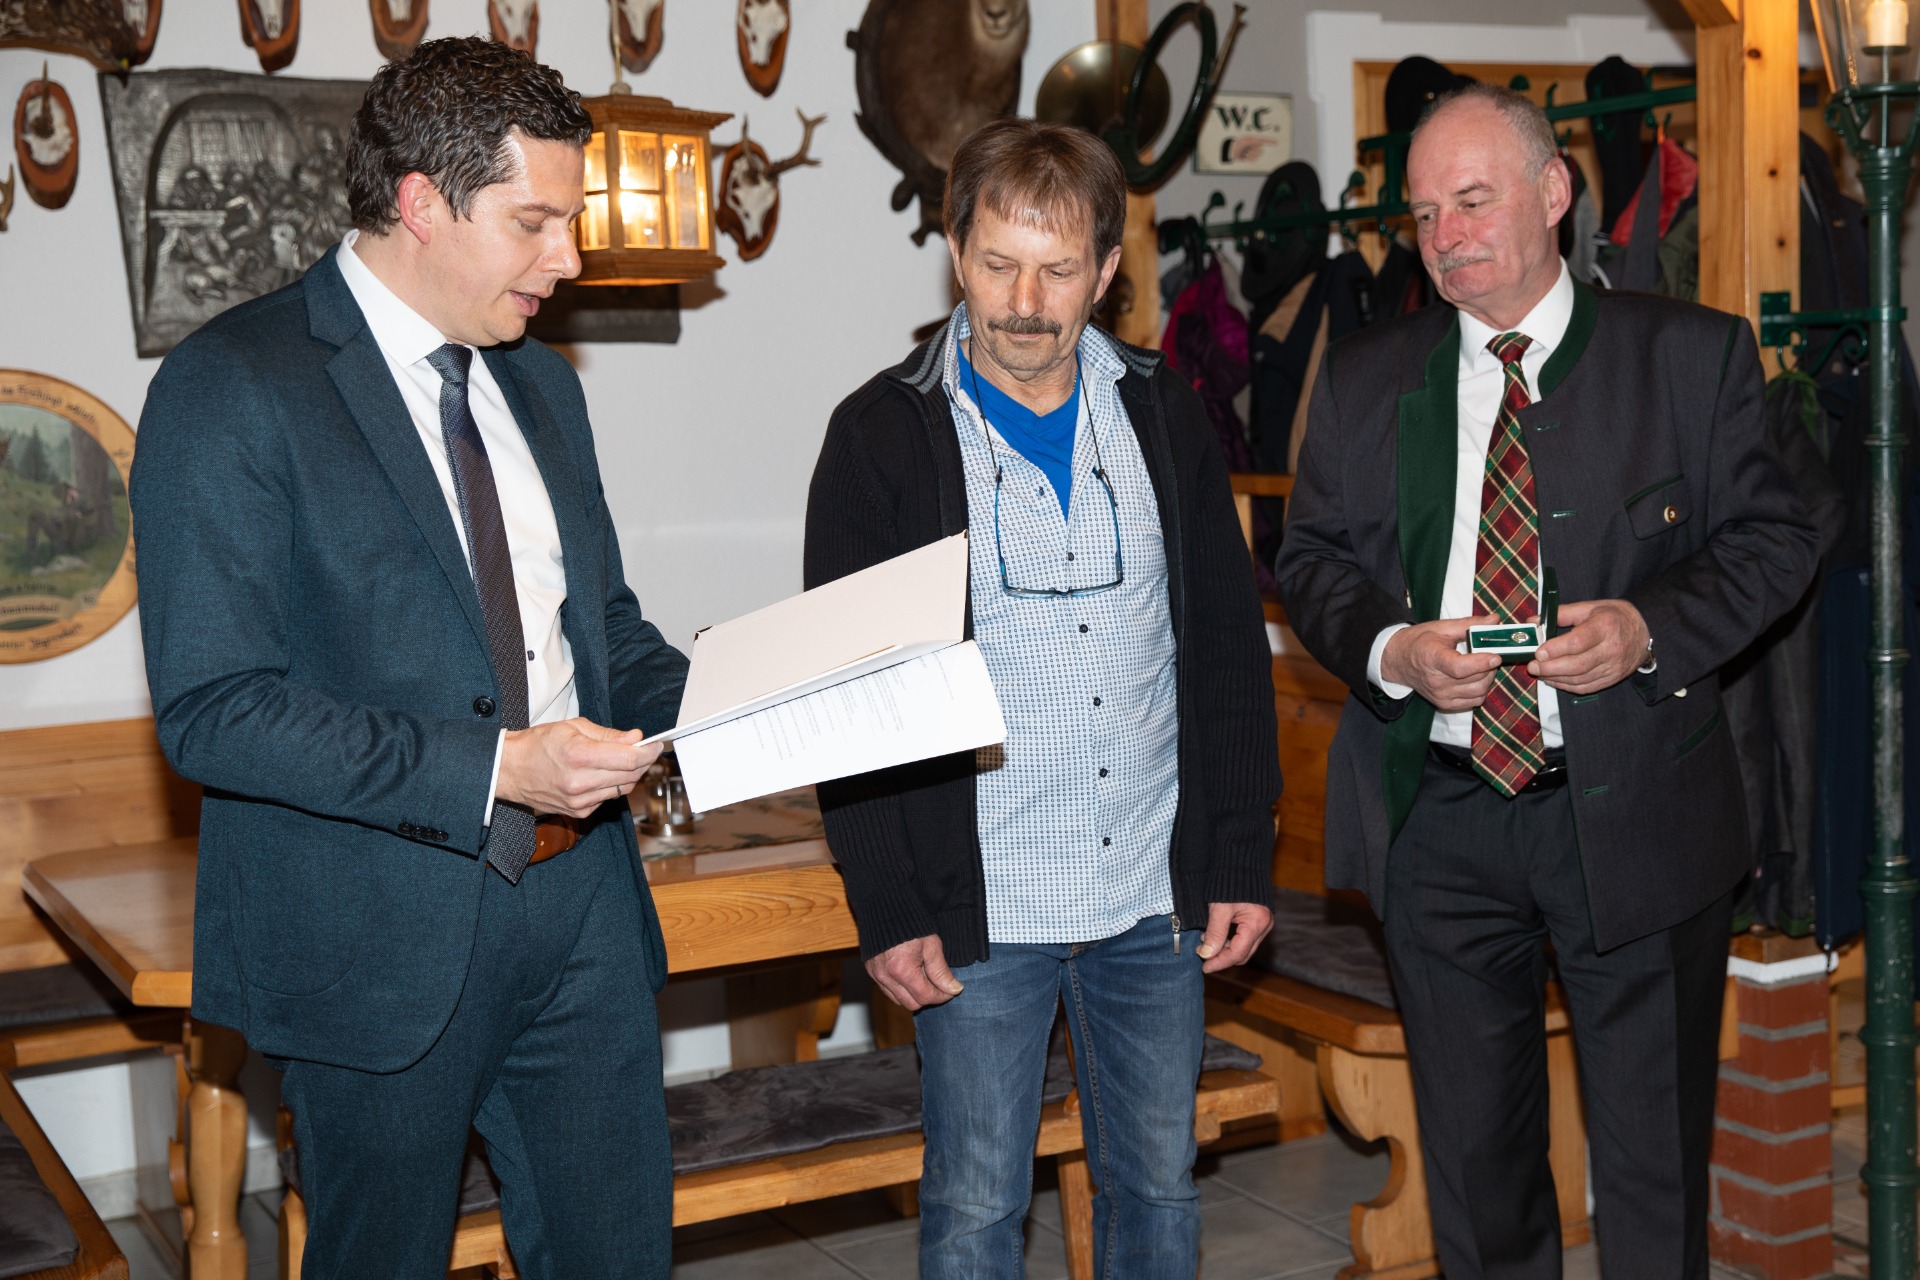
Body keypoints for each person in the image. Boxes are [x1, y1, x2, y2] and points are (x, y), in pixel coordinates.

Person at [130, 38, 687, 1279]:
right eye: (535, 222)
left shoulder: (544, 388)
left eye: (572, 221)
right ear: (423, 203)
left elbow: (604, 632)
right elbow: (215, 708)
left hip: (584, 910)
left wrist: (751, 690)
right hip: (369, 935)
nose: (570, 259)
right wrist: (499, 766)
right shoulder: (232, 385)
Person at [1277, 84, 1818, 1277]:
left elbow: (1777, 541)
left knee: (1653, 1166)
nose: (1446, 236)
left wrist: (1648, 626)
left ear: (1556, 191)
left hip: (1640, 804)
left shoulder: (1690, 354)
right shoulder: (1367, 376)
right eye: (1425, 213)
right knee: (1479, 1174)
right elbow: (1310, 560)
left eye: (1473, 200)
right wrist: (1393, 650)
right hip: (1440, 818)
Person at [804, 117, 1280, 1279]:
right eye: (999, 263)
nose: (1025, 302)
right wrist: (888, 901)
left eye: (1058, 268)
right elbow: (847, 693)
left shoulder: (1165, 412)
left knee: (1158, 1188)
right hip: (982, 909)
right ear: (955, 255)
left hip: (1150, 900)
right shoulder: (882, 435)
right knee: (975, 1207)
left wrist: (1237, 854)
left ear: (1106, 271)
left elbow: (1226, 647)